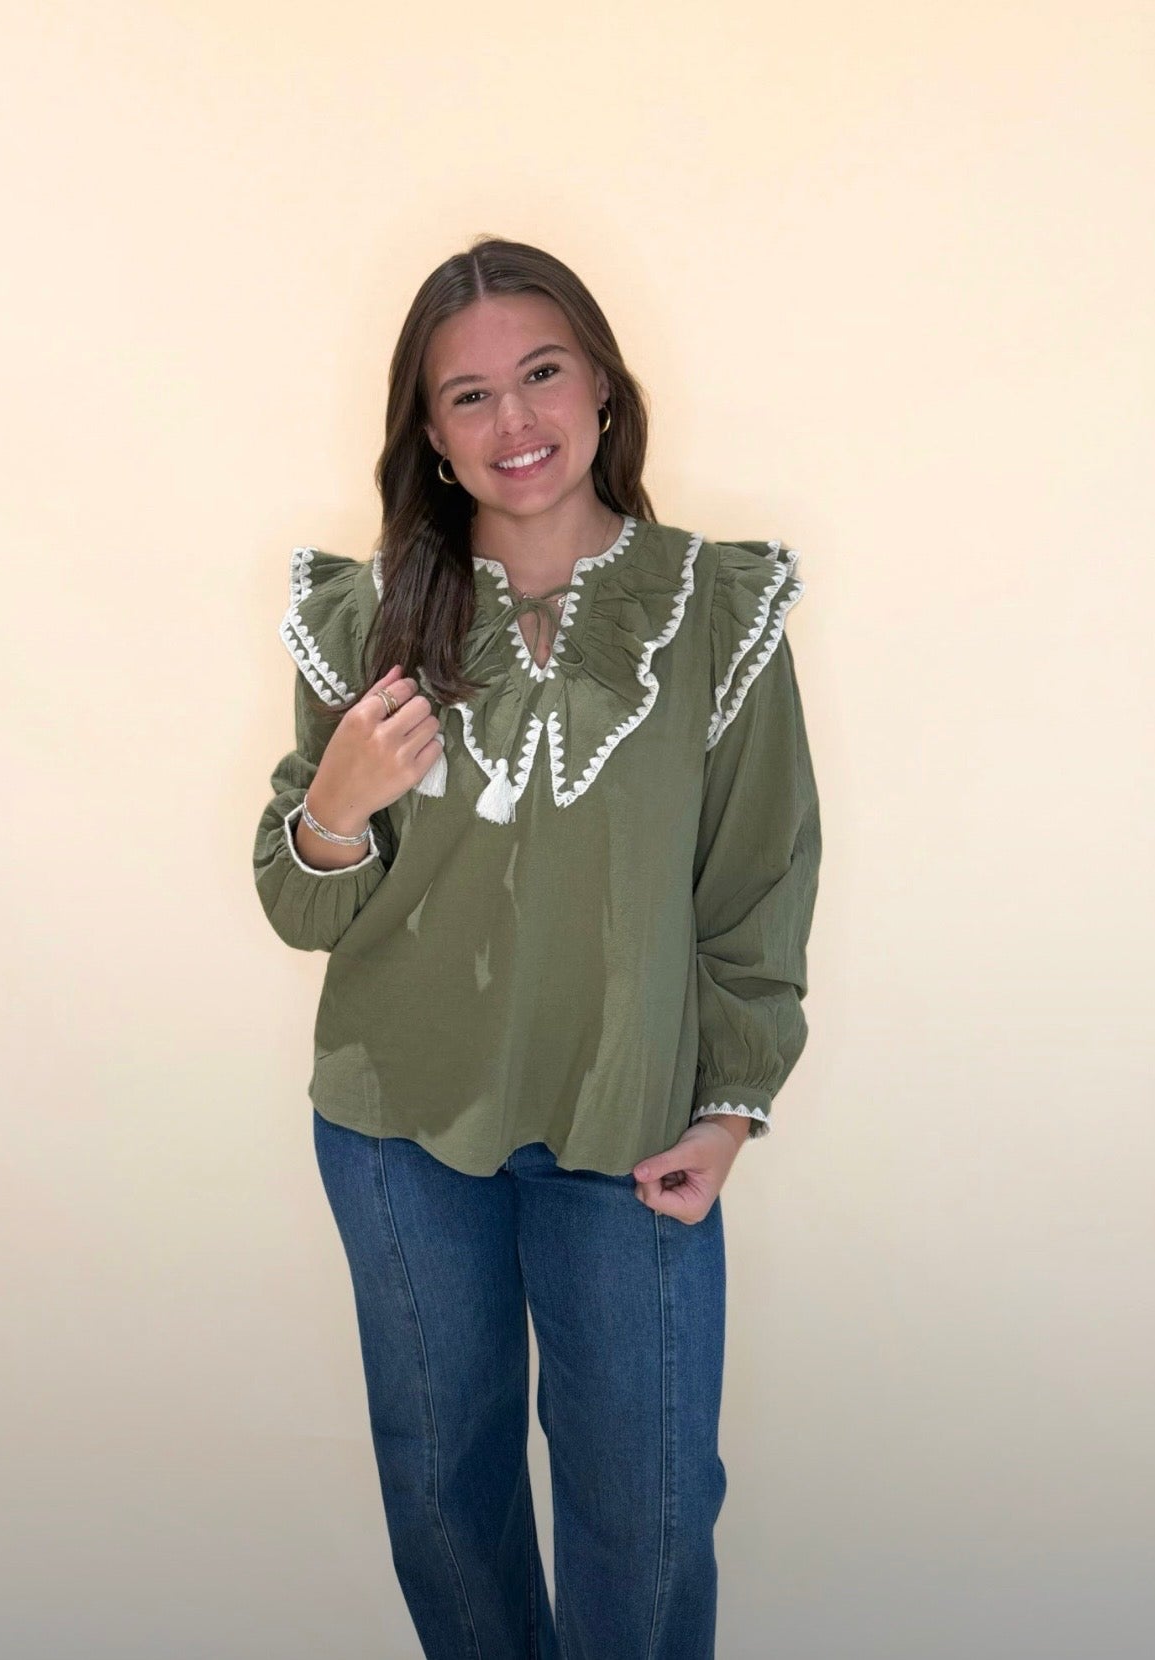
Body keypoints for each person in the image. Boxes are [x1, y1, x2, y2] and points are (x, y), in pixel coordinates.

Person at [252, 235, 822, 1660]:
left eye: (543, 373)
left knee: (646, 1507)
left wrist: (728, 1104)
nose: (515, 423)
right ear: (429, 439)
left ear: (603, 391)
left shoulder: (714, 611)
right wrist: (333, 805)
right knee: (444, 1495)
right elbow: (300, 903)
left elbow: (754, 880)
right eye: (467, 397)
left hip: (627, 1125)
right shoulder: (365, 617)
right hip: (400, 1131)